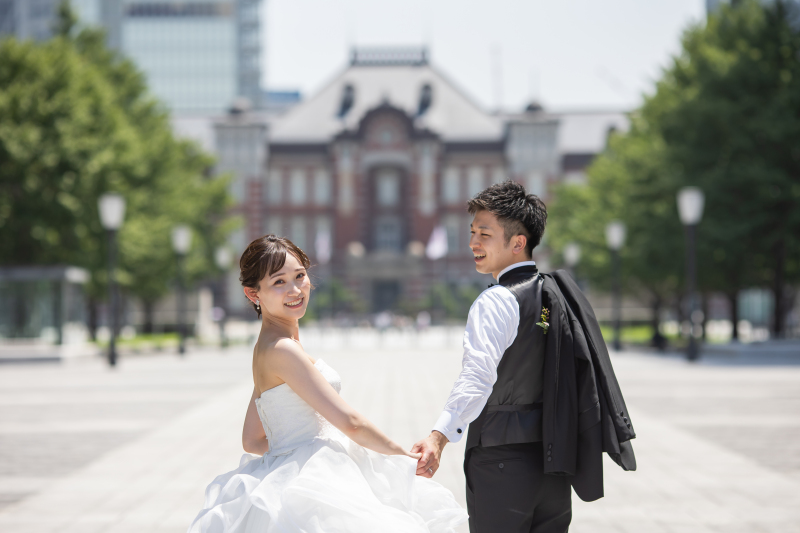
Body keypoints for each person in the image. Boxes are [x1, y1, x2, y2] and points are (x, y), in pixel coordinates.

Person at [188, 235, 467, 533]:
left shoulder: (268, 346)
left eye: (300, 276)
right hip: (313, 477)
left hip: (300, 471)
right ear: (253, 293)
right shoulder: (283, 349)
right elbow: (351, 423)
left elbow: (252, 439)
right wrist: (403, 457)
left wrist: (290, 449)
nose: (295, 290)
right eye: (278, 282)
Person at [412, 181, 636, 533]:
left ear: (518, 242)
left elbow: (477, 377)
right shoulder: (557, 294)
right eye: (472, 232)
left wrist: (439, 437)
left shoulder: (496, 301)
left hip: (502, 463)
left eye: (484, 234)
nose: (473, 243)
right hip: (554, 461)